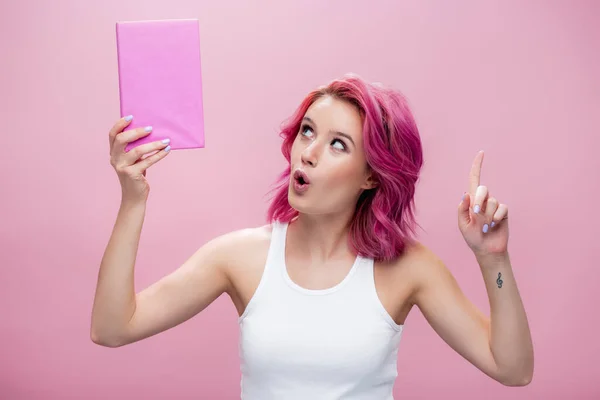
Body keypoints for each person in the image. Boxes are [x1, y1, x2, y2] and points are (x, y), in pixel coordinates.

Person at [91, 74, 534, 399]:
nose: (309, 152)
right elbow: (113, 327)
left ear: (371, 177)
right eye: (307, 131)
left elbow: (512, 369)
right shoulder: (240, 256)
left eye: (338, 143)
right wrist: (133, 200)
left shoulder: (408, 268)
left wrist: (494, 260)